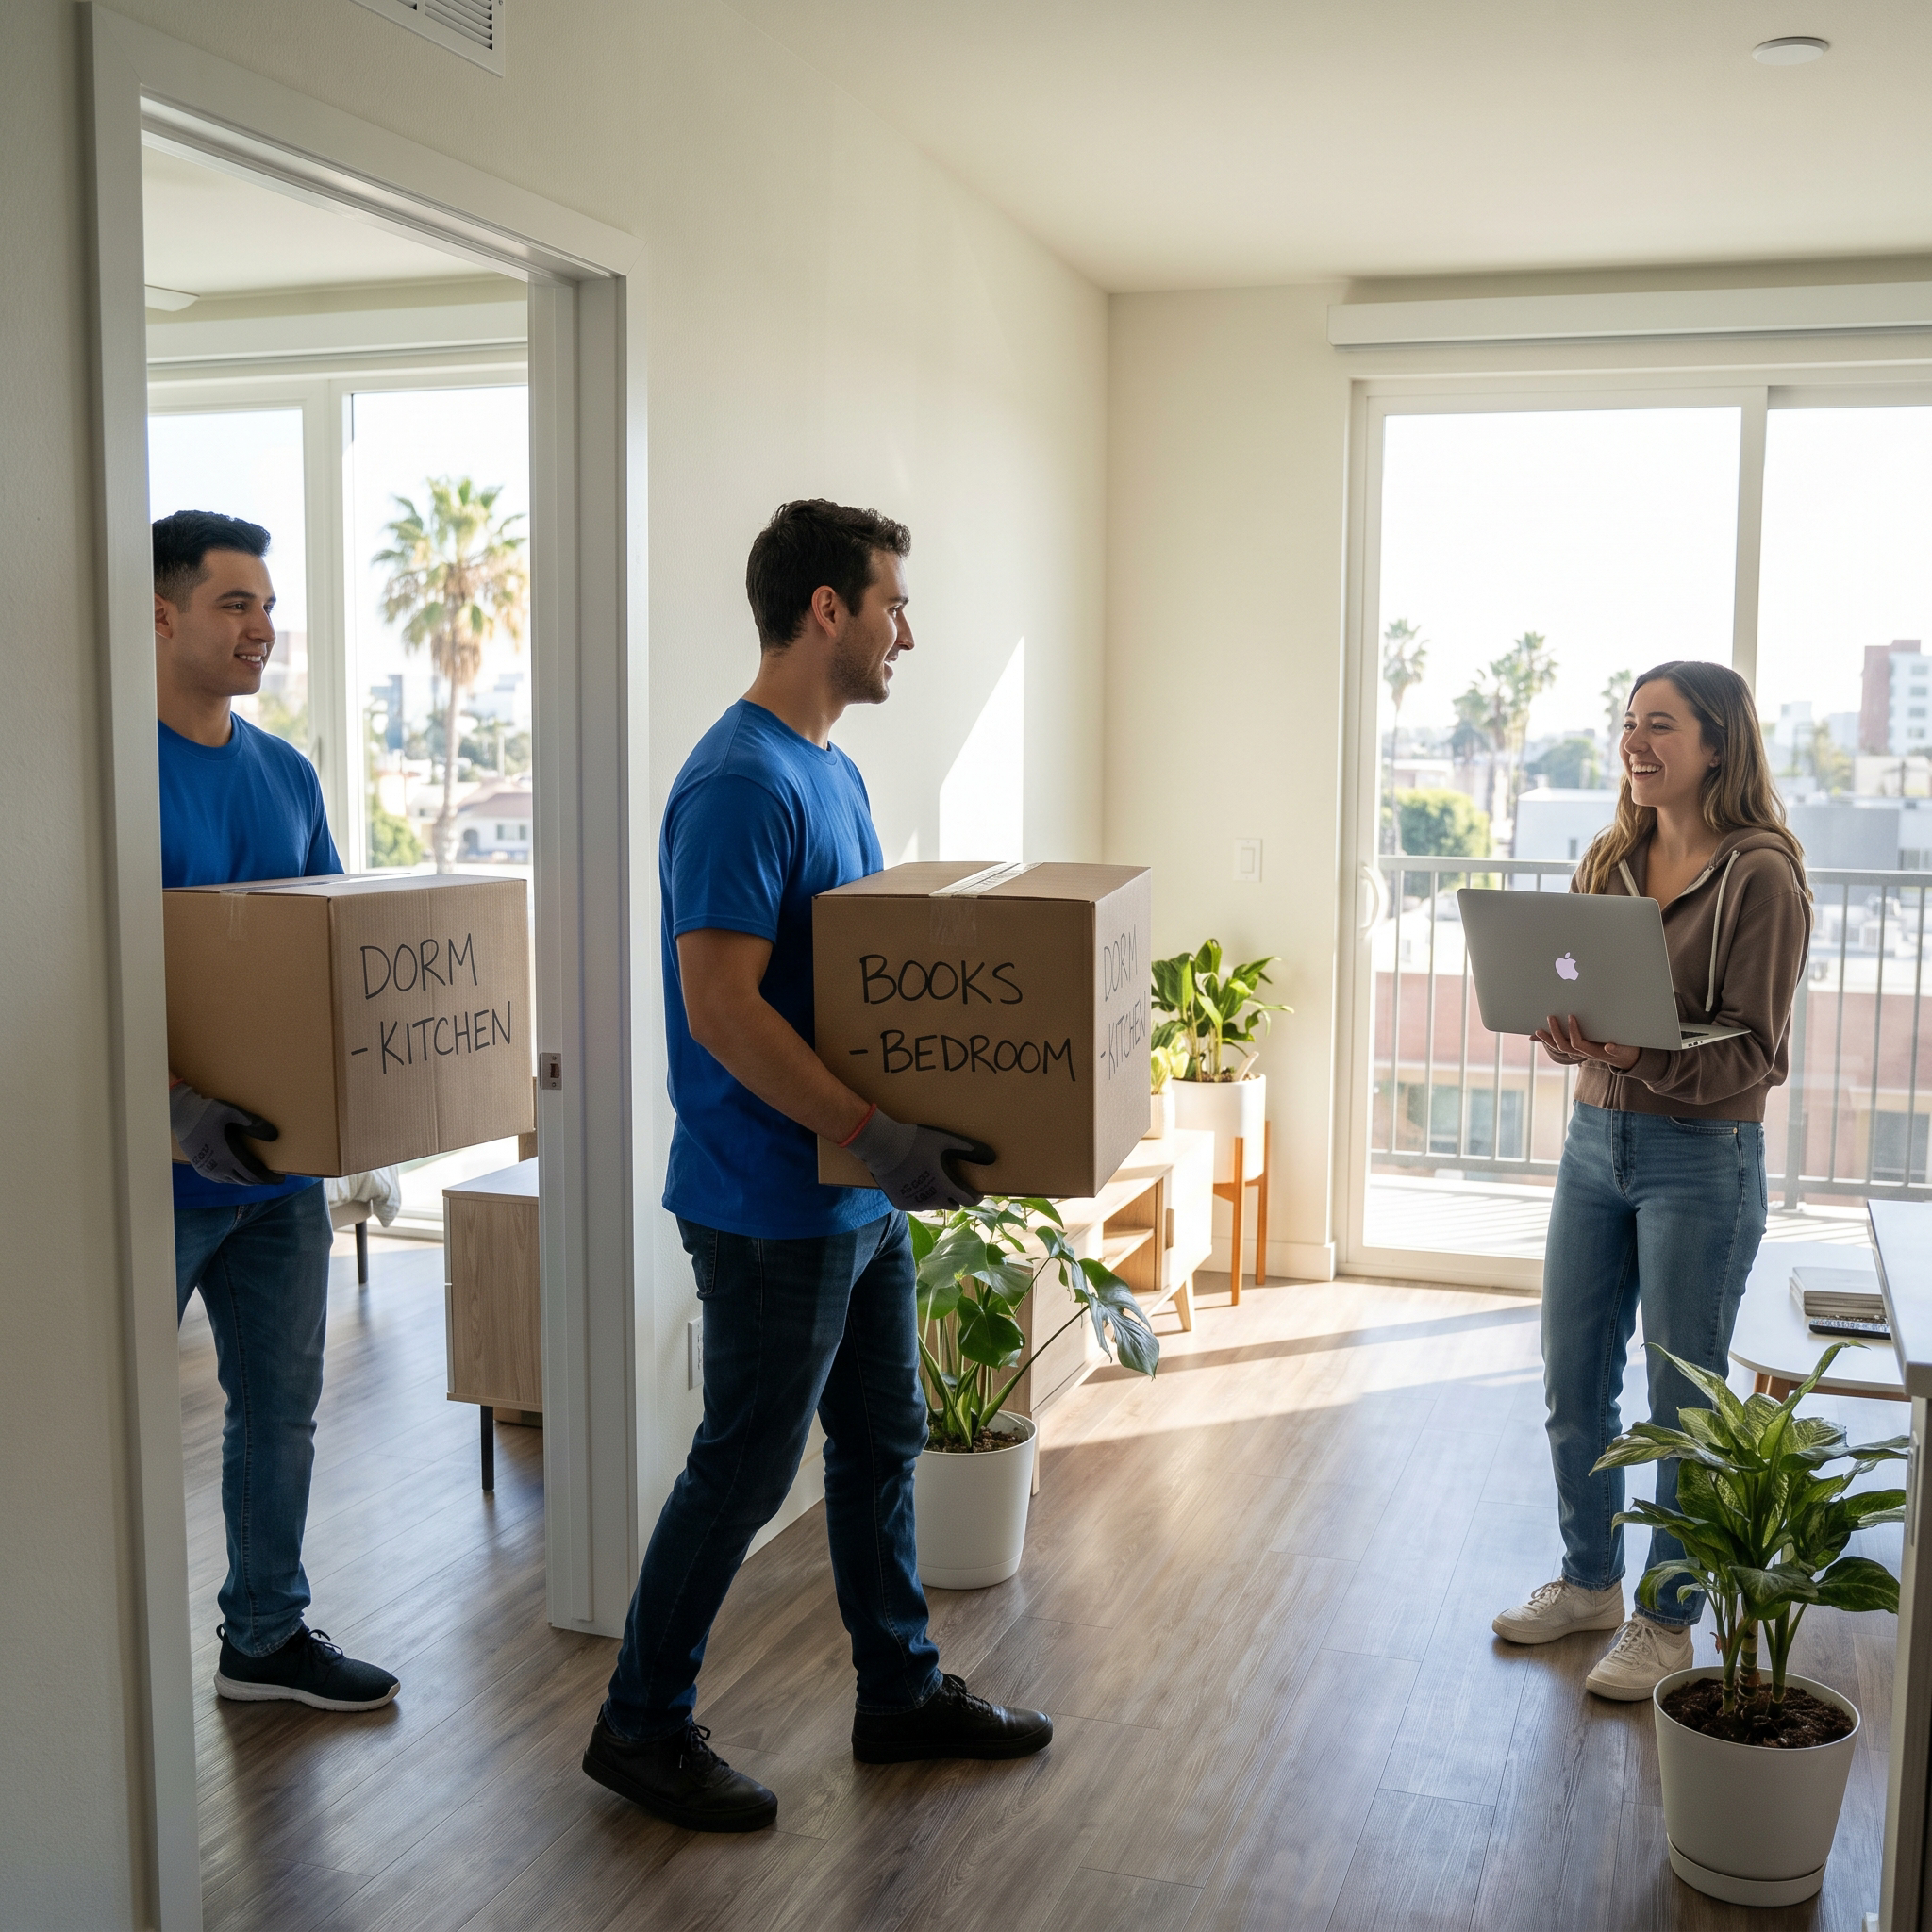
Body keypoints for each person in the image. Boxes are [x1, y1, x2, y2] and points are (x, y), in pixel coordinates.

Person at [580, 500, 1052, 1832]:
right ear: (827, 609)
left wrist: (907, 1127)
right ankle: (640, 1724)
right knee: (740, 1464)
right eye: (893, 599)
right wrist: (870, 1133)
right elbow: (723, 1007)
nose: (911, 627)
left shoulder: (827, 769)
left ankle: (897, 1690)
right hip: (770, 1197)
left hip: (851, 1192)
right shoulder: (741, 780)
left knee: (878, 1438)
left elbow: (852, 992)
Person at [1492, 660, 1812, 1699]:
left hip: (1700, 1157)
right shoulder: (1611, 854)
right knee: (1571, 1374)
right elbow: (1590, 1005)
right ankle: (1588, 1579)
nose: (1636, 742)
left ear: (1715, 743)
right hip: (1594, 1139)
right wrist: (1572, 1038)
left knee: (1681, 1399)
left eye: (1660, 725)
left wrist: (1636, 1058)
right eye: (1628, 723)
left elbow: (1756, 1051)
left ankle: (1664, 1622)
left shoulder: (1761, 873)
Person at [157, 510, 399, 1712]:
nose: (263, 626)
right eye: (233, 603)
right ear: (160, 614)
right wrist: (171, 1110)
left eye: (267, 604)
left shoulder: (285, 772)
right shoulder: (102, 776)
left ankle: (263, 1634)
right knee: (87, 1422)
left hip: (276, 1176)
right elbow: (86, 983)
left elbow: (326, 966)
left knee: (279, 1416)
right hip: (147, 1179)